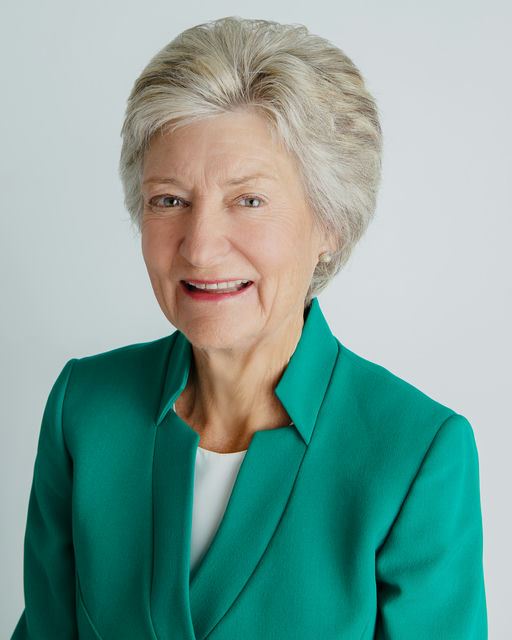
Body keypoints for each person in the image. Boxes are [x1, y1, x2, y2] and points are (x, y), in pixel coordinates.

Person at [12, 15, 487, 640]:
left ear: (330, 223)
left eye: (249, 200)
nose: (201, 247)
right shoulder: (84, 408)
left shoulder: (417, 454)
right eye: (170, 200)